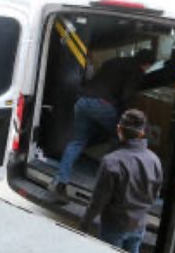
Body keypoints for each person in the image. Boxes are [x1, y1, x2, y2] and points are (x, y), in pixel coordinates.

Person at [51, 49, 156, 201]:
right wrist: (127, 121)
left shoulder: (114, 60)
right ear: (146, 64)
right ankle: (107, 187)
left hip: (82, 100)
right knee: (121, 138)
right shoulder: (136, 71)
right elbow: (126, 95)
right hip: (102, 104)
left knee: (77, 141)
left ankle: (60, 183)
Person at [79, 109, 162, 253]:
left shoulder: (112, 161)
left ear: (119, 130)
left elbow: (99, 200)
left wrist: (85, 221)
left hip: (114, 225)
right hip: (139, 224)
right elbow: (155, 195)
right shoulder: (154, 160)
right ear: (142, 132)